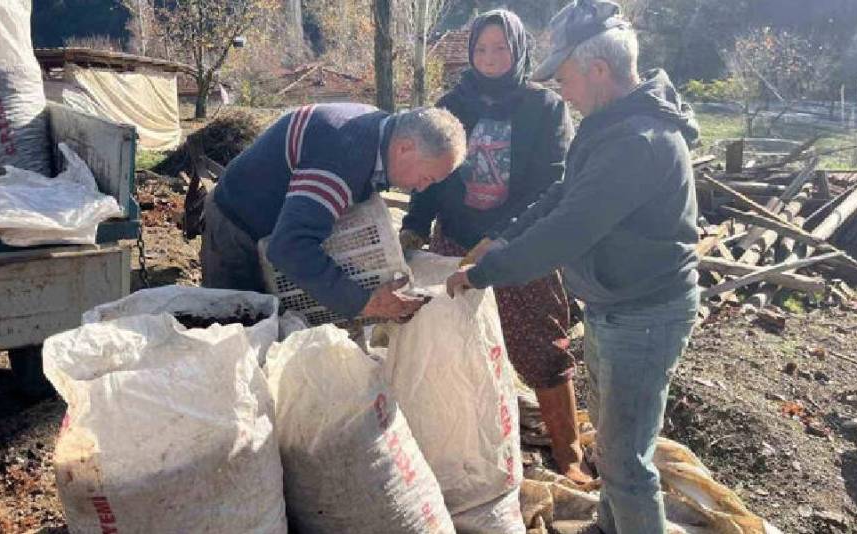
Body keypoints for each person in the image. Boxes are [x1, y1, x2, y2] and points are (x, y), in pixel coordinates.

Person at [445, 1, 701, 532]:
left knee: (628, 463)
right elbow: (563, 193)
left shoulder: (637, 142)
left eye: (564, 77)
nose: (562, 89)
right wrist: (501, 235)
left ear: (599, 70)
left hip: (644, 315)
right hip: (615, 305)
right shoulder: (609, 122)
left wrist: (484, 272)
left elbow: (568, 230)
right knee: (612, 449)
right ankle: (611, 525)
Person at [398, 9, 589, 484]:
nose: (489, 58)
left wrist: (501, 237)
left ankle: (569, 456)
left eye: (500, 49)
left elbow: (550, 184)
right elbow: (430, 175)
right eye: (481, 49)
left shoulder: (544, 108)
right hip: (454, 243)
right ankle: (466, 442)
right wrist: (414, 226)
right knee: (457, 345)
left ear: (518, 51)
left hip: (521, 246)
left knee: (543, 345)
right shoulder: (451, 104)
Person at [202, 103, 466, 321]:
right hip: (237, 226)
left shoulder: (380, 133)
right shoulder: (343, 155)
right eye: (427, 178)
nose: (421, 188)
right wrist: (365, 303)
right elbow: (290, 246)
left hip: (275, 222)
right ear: (405, 148)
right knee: (239, 328)